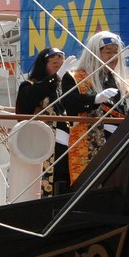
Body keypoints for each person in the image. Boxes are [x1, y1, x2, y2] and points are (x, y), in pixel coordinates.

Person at [60, 31, 129, 184]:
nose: (113, 57)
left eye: (116, 52)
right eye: (108, 52)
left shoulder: (121, 82)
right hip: (90, 141)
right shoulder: (75, 77)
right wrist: (94, 99)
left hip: (120, 141)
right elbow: (70, 103)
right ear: (94, 53)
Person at [15, 47, 77, 196]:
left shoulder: (67, 88)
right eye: (52, 60)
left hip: (68, 143)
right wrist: (57, 77)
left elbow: (75, 106)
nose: (57, 61)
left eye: (60, 59)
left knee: (66, 184)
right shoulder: (29, 85)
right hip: (41, 143)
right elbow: (29, 102)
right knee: (41, 187)